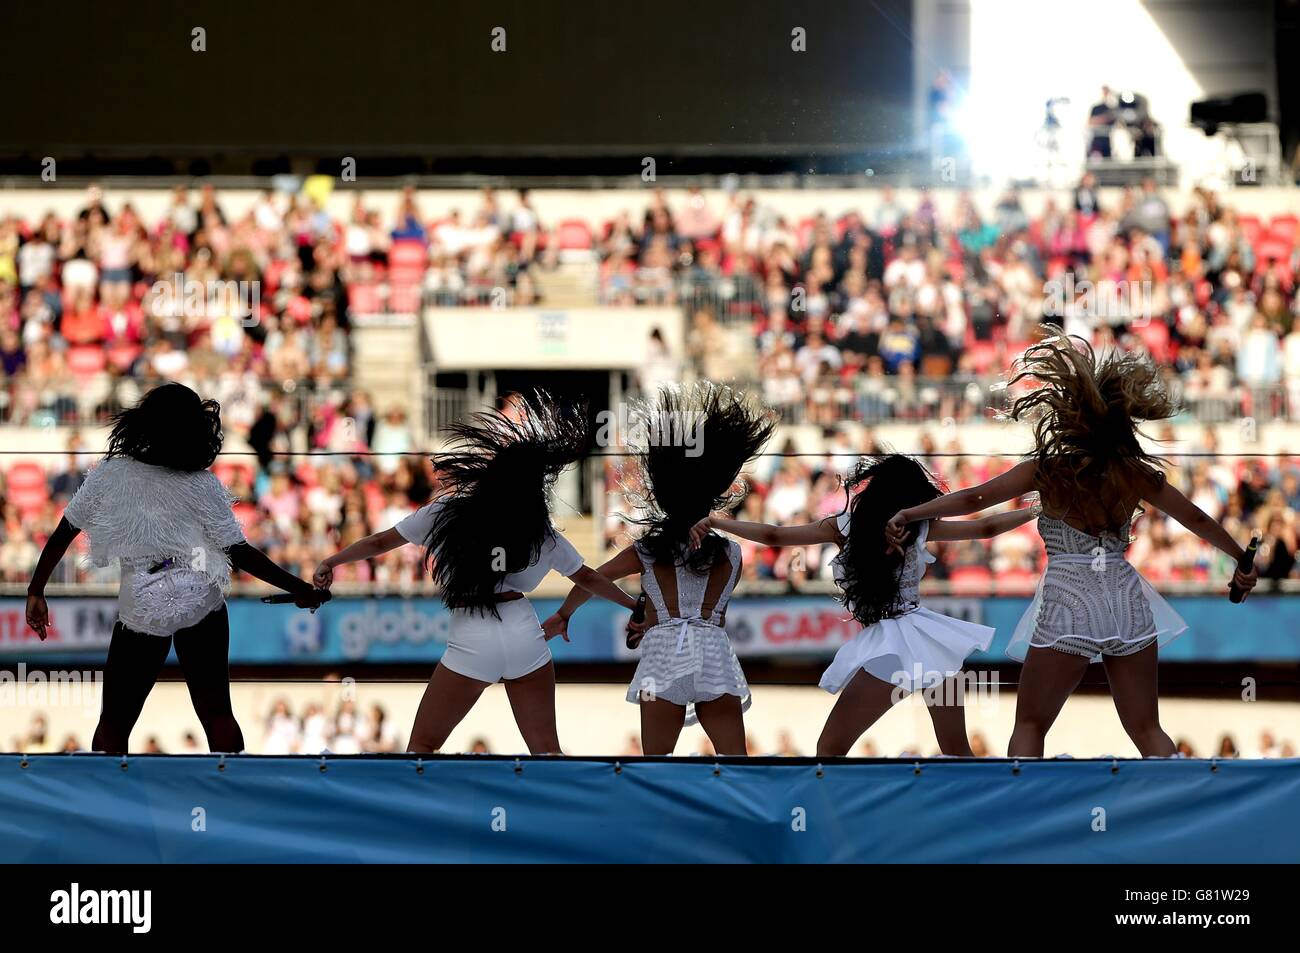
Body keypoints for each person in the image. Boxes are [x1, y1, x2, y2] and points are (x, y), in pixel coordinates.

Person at [885, 331, 1258, 757]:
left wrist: (910, 513)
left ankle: (1027, 816)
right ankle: (1176, 814)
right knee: (1146, 728)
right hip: (1124, 595)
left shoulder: (1048, 470)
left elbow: (975, 499)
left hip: (1069, 598)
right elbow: (1193, 517)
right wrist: (1240, 558)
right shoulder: (1133, 473)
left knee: (1030, 724)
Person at [314, 391, 642, 754]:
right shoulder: (538, 530)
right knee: (547, 751)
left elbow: (378, 544)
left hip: (472, 630)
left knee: (422, 746)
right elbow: (590, 578)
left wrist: (332, 561)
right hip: (523, 630)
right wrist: (634, 607)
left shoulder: (448, 511)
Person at [24, 383, 327, 754]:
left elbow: (62, 534)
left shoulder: (109, 475)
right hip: (199, 593)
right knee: (217, 714)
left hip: (142, 602)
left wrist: (37, 591)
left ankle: (106, 801)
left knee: (114, 722)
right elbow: (241, 552)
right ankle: (231, 793)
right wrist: (299, 589)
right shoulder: (201, 484)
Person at [693, 454, 1035, 757]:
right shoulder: (918, 524)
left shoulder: (845, 526)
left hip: (889, 646)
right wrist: (1039, 509)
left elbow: (774, 536)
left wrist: (718, 521)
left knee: (830, 748)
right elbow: (987, 527)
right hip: (931, 640)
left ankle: (842, 822)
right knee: (958, 750)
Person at [544, 383, 776, 755]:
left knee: (656, 766)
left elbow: (591, 578)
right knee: (736, 766)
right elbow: (709, 613)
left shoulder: (648, 550)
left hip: (664, 654)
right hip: (715, 652)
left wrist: (563, 613)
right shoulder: (731, 552)